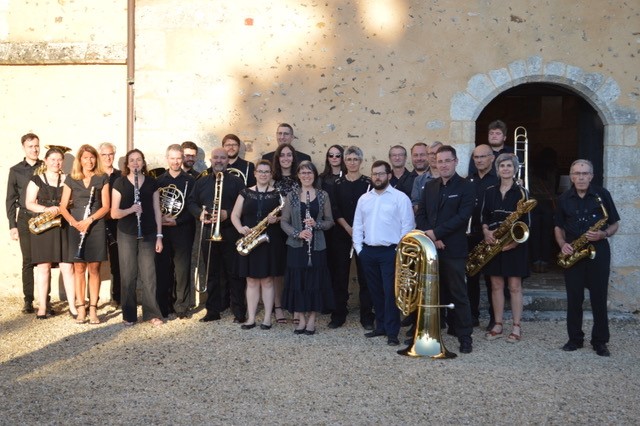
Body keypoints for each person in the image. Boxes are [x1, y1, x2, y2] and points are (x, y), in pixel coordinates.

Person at [555, 159, 620, 357]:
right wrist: (562, 244)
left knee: (598, 298)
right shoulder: (564, 198)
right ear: (571, 176)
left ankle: (600, 341)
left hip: (598, 251)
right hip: (574, 252)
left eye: (585, 174)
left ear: (591, 176)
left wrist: (604, 234)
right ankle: (574, 339)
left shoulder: (602, 195)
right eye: (577, 173)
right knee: (574, 298)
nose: (581, 177)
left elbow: (615, 223)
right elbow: (558, 226)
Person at [415, 145, 475, 353]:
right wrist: (432, 235)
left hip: (454, 249)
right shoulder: (430, 186)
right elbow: (420, 214)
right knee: (432, 292)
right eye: (440, 161)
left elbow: (462, 218)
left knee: (458, 293)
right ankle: (431, 333)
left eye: (447, 161)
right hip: (432, 248)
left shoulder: (466, 186)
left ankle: (465, 336)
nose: (443, 165)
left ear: (456, 161)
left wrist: (436, 234)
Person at [352, 160, 414, 346]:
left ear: (389, 175)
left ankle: (392, 332)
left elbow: (408, 226)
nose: (377, 177)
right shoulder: (364, 199)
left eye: (381, 174)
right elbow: (357, 225)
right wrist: (360, 249)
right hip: (368, 252)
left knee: (390, 293)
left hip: (391, 252)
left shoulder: (400, 198)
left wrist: (398, 251)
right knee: (375, 291)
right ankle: (381, 327)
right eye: (374, 174)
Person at [188, 147, 246, 323]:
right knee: (212, 273)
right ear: (211, 160)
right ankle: (212, 311)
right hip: (209, 232)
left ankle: (238, 312)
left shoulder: (237, 182)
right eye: (216, 158)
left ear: (228, 161)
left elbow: (246, 204)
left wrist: (227, 213)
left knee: (234, 273)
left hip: (230, 232)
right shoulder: (201, 182)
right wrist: (200, 213)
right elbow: (191, 202)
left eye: (223, 158)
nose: (219, 161)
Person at [481, 154, 532, 343]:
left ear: (515, 169)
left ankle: (516, 326)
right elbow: (484, 216)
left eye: (509, 165)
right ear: (497, 169)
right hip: (494, 243)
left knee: (514, 287)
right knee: (496, 286)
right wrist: (486, 231)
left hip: (515, 244)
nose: (505, 169)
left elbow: (526, 221)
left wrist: (515, 242)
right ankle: (498, 324)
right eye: (502, 165)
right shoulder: (489, 191)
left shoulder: (522, 193)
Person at [111, 149, 164, 326]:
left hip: (148, 233)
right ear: (127, 164)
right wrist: (131, 210)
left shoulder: (151, 183)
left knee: (149, 274)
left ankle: (152, 314)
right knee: (128, 274)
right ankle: (129, 315)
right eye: (132, 160)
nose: (135, 163)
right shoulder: (119, 183)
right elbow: (114, 213)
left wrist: (159, 236)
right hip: (126, 233)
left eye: (138, 160)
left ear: (143, 162)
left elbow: (157, 210)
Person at [281, 161, 335, 335]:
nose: (306, 175)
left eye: (309, 172)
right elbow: (283, 222)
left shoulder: (322, 195)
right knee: (298, 283)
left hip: (317, 246)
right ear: (298, 175)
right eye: (303, 173)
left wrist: (316, 224)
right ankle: (301, 320)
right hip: (296, 246)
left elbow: (330, 222)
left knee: (314, 283)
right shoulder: (292, 195)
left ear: (314, 175)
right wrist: (298, 233)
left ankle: (311, 320)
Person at [231, 160, 285, 329]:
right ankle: (251, 318)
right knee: (252, 281)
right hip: (250, 240)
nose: (263, 174)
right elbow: (234, 215)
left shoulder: (278, 194)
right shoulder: (245, 193)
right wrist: (241, 229)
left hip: (270, 241)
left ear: (271, 174)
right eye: (260, 171)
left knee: (268, 280)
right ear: (254, 173)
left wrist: (276, 219)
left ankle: (268, 318)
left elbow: (288, 217)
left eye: (266, 171)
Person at [59, 145, 110, 324]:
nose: (89, 161)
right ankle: (81, 309)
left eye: (92, 158)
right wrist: (75, 224)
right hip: (76, 227)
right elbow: (62, 207)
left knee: (94, 268)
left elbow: (106, 206)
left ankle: (94, 309)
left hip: (95, 226)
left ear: (96, 159)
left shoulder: (102, 178)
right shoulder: (71, 179)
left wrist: (89, 220)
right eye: (85, 158)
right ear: (79, 160)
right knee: (78, 269)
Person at [24, 147, 76, 319]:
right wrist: (48, 209)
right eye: (52, 159)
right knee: (44, 267)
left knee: (67, 267)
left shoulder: (68, 179)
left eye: (59, 159)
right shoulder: (36, 180)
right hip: (45, 227)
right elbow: (29, 203)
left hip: (63, 227)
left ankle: (73, 307)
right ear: (45, 161)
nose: (56, 163)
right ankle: (42, 307)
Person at [327, 146, 375, 330]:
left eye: (356, 159)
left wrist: (359, 231)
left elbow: (371, 210)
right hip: (342, 234)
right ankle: (339, 314)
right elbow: (335, 209)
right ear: (344, 162)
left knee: (365, 276)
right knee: (340, 276)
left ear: (361, 162)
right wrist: (348, 228)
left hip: (364, 237)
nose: (352, 162)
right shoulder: (337, 185)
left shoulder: (368, 183)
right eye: (349, 159)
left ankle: (367, 315)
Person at [155, 144, 196, 319]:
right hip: (162, 231)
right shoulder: (158, 181)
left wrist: (177, 220)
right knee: (163, 269)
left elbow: (192, 207)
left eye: (178, 158)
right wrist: (161, 219)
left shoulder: (191, 181)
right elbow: (154, 206)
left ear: (182, 158)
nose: (175, 161)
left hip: (182, 230)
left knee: (182, 269)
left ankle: (182, 307)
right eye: (172, 158)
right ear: (167, 159)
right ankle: (164, 306)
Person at [6, 133, 43, 313]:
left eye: (36, 146)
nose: (34, 149)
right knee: (27, 261)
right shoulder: (15, 171)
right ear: (24, 148)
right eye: (30, 146)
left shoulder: (46, 166)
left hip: (43, 217)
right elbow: (10, 200)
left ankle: (46, 300)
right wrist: (12, 225)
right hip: (24, 219)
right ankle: (28, 300)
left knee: (45, 260)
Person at [466, 144, 499, 329]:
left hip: (491, 235)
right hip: (472, 234)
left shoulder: (498, 180)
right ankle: (473, 315)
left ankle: (495, 317)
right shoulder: (468, 180)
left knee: (492, 278)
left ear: (492, 158)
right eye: (476, 157)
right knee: (471, 276)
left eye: (483, 157)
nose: (479, 160)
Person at [271, 143, 299, 324]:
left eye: (289, 155)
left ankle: (297, 307)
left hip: (295, 230)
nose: (286, 158)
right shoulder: (272, 180)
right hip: (276, 230)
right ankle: (278, 307)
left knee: (296, 269)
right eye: (282, 155)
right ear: (278, 158)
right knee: (278, 270)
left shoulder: (301, 178)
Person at [98, 142, 122, 307]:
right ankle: (93, 299)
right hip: (98, 223)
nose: (108, 157)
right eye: (104, 155)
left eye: (111, 154)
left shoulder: (121, 176)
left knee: (117, 262)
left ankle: (117, 297)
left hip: (116, 224)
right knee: (94, 263)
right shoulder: (94, 175)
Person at [411, 141, 443, 211]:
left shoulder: (450, 178)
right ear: (427, 157)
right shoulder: (418, 180)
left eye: (437, 153)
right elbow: (416, 206)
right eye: (431, 153)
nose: (434, 156)